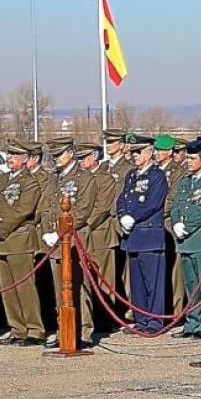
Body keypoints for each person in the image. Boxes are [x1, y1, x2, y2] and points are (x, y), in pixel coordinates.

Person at [40, 137, 96, 348]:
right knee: (59, 288)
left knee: (80, 286)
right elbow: (45, 207)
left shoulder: (84, 178)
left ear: (71, 154)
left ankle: (85, 330)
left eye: (59, 155)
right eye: (53, 156)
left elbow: (82, 210)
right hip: (56, 242)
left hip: (75, 239)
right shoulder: (53, 178)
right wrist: (48, 231)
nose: (56, 159)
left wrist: (61, 230)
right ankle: (64, 328)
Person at [0, 140, 46, 346]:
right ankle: (17, 328)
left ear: (25, 159)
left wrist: (1, 228)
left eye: (15, 156)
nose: (11, 159)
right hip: (2, 241)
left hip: (19, 238)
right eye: (10, 155)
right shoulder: (3, 180)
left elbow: (23, 210)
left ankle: (34, 329)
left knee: (24, 288)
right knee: (8, 289)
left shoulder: (29, 182)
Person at [116, 134, 169, 333]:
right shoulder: (131, 175)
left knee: (152, 282)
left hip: (149, 234)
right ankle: (141, 320)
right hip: (133, 236)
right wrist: (122, 215)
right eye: (132, 152)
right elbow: (122, 199)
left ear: (149, 152)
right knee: (136, 283)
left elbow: (152, 202)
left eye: (138, 152)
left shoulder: (157, 175)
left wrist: (134, 216)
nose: (134, 156)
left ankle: (155, 322)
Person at [169, 137, 201, 339]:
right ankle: (192, 323)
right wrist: (175, 223)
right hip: (184, 242)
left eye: (192, 158)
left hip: (200, 239)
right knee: (190, 284)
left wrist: (187, 226)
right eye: (187, 158)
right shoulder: (183, 182)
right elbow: (175, 205)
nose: (188, 162)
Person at [78, 142, 119, 335]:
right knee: (84, 279)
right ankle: (86, 320)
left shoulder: (105, 179)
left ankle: (105, 320)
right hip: (81, 235)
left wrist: (83, 223)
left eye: (84, 157)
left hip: (99, 234)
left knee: (104, 280)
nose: (80, 162)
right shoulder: (80, 179)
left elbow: (102, 207)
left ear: (94, 157)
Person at [155, 134, 187, 317]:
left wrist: (157, 211)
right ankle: (164, 309)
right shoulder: (155, 170)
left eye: (161, 151)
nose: (157, 154)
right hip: (155, 223)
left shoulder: (177, 171)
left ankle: (177, 310)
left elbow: (173, 198)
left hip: (167, 220)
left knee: (175, 271)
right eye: (157, 150)